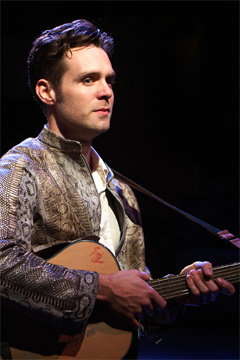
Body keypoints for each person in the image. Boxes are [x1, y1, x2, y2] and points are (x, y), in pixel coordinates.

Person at [0, 19, 236, 359]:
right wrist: (104, 288)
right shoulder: (21, 167)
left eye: (109, 79)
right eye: (88, 79)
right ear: (46, 91)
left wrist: (176, 293)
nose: (106, 91)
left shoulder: (122, 192)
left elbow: (130, 310)